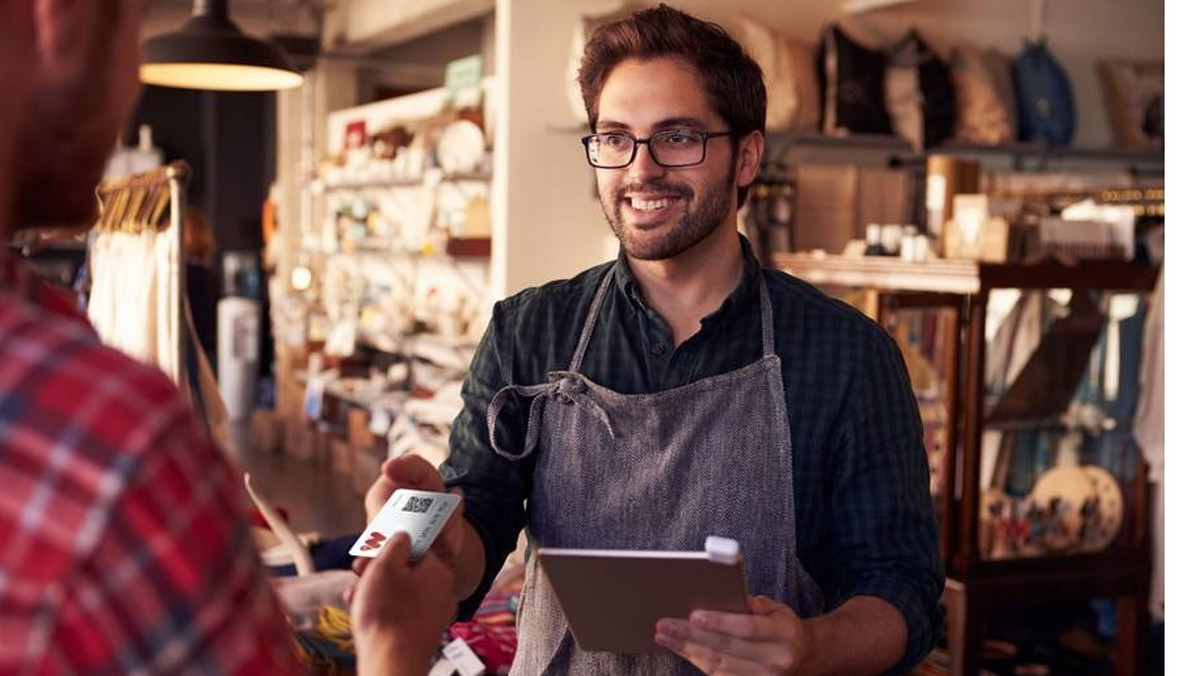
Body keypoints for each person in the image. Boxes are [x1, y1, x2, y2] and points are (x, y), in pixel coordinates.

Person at [363, 5, 944, 675]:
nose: (640, 169)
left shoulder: (848, 355)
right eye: (614, 138)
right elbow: (481, 536)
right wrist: (433, 537)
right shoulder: (529, 331)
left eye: (678, 137)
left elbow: (903, 590)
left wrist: (813, 648)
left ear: (747, 156)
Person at [0, 0, 453, 673]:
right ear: (55, 20)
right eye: (132, 29)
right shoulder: (109, 441)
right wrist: (395, 645)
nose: (130, 81)